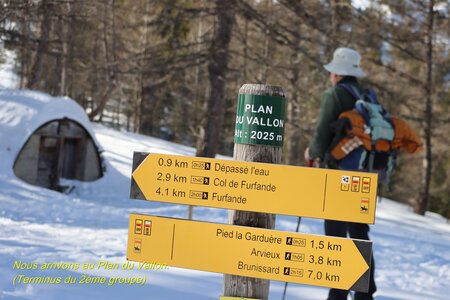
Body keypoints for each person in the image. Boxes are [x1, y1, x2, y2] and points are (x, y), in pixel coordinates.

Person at [304, 47, 377, 300]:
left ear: (338, 72)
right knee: (358, 233)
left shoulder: (336, 94)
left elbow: (323, 131)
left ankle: (337, 293)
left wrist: (312, 153)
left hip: (338, 174)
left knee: (335, 235)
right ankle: (365, 292)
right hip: (361, 175)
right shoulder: (365, 94)